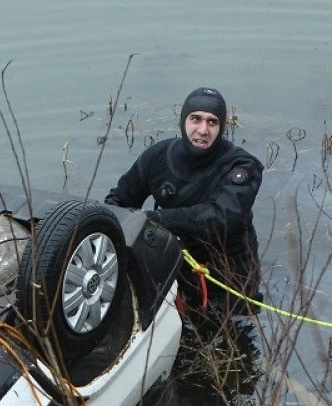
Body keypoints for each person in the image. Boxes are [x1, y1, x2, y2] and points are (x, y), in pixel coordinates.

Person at [105, 87, 263, 320]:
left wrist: (157, 219)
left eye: (212, 122)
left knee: (230, 338)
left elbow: (220, 216)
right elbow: (117, 203)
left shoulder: (242, 167)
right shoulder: (159, 156)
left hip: (230, 277)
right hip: (175, 265)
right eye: (195, 119)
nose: (202, 130)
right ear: (183, 121)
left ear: (221, 128)